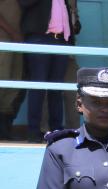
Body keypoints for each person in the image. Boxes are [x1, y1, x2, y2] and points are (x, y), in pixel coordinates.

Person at [19, 0, 80, 142]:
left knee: (56, 89)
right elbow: (23, 3)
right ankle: (33, 132)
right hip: (39, 38)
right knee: (38, 87)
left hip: (60, 41)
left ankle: (56, 131)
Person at [0, 0, 23, 139]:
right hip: (3, 39)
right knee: (2, 81)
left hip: (19, 42)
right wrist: (12, 32)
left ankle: (3, 130)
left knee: (14, 85)